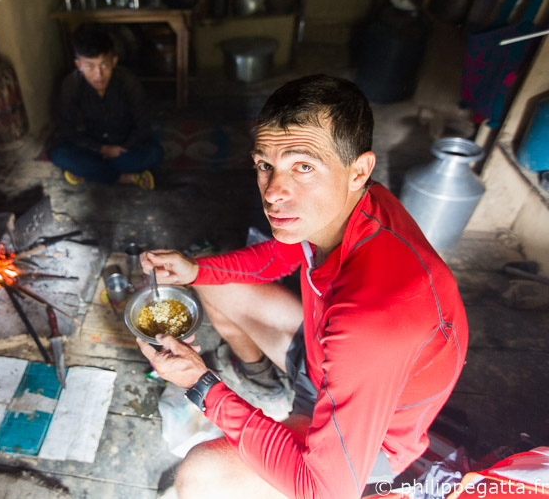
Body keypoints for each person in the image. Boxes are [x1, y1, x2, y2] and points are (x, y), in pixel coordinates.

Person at [137, 74, 469, 499]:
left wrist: (201, 384)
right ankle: (265, 384)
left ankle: (275, 419)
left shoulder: (372, 320)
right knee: (215, 284)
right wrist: (193, 270)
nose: (274, 192)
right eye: (265, 165)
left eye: (304, 166)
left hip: (368, 439)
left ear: (358, 169)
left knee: (201, 475)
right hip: (324, 359)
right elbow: (280, 255)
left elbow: (324, 489)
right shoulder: (357, 204)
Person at [49, 24, 163, 189]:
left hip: (123, 147)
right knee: (59, 155)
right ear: (78, 64)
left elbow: (143, 126)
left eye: (104, 65)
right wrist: (101, 149)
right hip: (92, 147)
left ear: (114, 61)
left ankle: (88, 172)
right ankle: (127, 178)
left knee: (155, 154)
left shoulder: (128, 81)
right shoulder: (71, 85)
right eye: (89, 66)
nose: (98, 75)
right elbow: (67, 130)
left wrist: (122, 148)